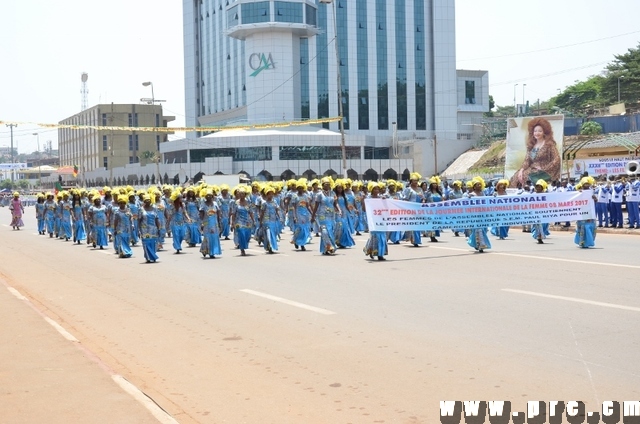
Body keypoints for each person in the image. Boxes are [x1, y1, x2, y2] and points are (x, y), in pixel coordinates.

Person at [509, 117, 561, 187]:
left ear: (544, 132)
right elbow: (527, 160)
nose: (537, 133)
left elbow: (557, 159)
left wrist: (545, 169)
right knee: (516, 177)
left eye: (540, 131)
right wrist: (521, 170)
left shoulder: (549, 144)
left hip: (543, 171)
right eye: (535, 131)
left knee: (526, 178)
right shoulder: (532, 145)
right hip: (531, 169)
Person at [311, 177, 339, 255]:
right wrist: (313, 216)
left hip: (331, 216)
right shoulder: (319, 194)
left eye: (329, 184)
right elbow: (316, 206)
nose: (327, 186)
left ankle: (325, 249)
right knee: (324, 231)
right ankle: (329, 246)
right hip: (322, 216)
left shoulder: (333, 193)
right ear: (323, 185)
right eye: (326, 184)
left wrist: (339, 210)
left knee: (330, 232)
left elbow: (335, 203)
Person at [363, 182, 388, 261]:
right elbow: (364, 209)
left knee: (382, 236)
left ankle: (380, 254)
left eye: (377, 189)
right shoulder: (368, 198)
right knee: (375, 236)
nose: (376, 191)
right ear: (371, 190)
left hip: (381, 219)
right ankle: (373, 251)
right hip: (373, 220)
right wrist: (363, 201)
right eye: (374, 189)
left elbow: (386, 208)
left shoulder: (381, 198)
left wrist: (384, 201)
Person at [466, 177, 491, 253]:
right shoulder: (471, 195)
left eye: (480, 184)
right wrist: (469, 199)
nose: (479, 186)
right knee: (478, 230)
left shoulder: (483, 194)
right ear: (474, 186)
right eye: (477, 185)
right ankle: (480, 245)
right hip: (475, 215)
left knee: (484, 229)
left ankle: (476, 243)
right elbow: (467, 204)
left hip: (483, 214)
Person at [402, 172, 426, 247]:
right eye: (414, 180)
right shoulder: (408, 189)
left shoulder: (419, 189)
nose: (415, 182)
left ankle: (418, 239)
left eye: (417, 180)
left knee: (418, 224)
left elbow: (423, 198)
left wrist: (423, 201)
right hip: (411, 209)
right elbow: (405, 199)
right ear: (411, 181)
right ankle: (414, 240)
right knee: (413, 225)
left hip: (419, 209)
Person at [574, 176, 597, 248]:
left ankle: (589, 242)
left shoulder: (591, 192)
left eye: (587, 184)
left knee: (589, 228)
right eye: (585, 184)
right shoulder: (578, 192)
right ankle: (581, 242)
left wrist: (594, 198)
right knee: (582, 228)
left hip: (590, 213)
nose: (586, 185)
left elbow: (595, 201)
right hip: (582, 213)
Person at [231, 186, 254, 256]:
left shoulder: (248, 202)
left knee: (247, 235)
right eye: (240, 194)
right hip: (239, 222)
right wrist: (232, 223)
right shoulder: (236, 203)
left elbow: (251, 212)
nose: (241, 195)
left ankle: (244, 245)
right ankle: (242, 250)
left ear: (245, 194)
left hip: (247, 222)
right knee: (241, 235)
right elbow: (234, 213)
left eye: (242, 194)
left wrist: (253, 220)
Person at [199, 189, 222, 258]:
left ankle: (212, 252)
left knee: (214, 237)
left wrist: (219, 223)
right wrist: (201, 223)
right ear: (205, 197)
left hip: (214, 224)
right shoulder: (203, 204)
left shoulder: (215, 203)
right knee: (207, 237)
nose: (208, 197)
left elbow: (218, 213)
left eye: (210, 195)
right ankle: (205, 250)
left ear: (212, 196)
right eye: (207, 195)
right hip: (207, 224)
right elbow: (201, 214)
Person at [291, 178, 312, 251]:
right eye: (299, 188)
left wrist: (312, 214)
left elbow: (308, 206)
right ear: (297, 188)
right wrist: (294, 216)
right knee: (300, 229)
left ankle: (302, 244)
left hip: (305, 214)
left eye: (301, 188)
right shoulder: (294, 196)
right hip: (298, 214)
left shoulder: (306, 196)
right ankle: (296, 240)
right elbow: (293, 207)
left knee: (305, 229)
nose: (300, 189)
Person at [139, 194, 161, 263]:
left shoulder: (154, 208)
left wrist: (159, 228)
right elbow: (139, 220)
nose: (148, 201)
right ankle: (148, 257)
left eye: (149, 200)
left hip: (153, 229)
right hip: (144, 230)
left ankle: (153, 256)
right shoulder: (141, 209)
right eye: (146, 200)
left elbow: (157, 219)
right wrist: (138, 230)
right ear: (144, 201)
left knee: (153, 243)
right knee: (146, 243)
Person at [258, 185, 281, 254]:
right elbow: (262, 212)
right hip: (266, 220)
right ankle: (270, 247)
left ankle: (271, 246)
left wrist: (279, 217)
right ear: (266, 195)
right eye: (269, 194)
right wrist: (261, 221)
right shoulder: (264, 203)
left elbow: (277, 210)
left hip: (273, 220)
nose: (270, 195)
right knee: (268, 233)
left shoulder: (275, 202)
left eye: (272, 194)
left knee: (273, 234)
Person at [531, 180, 550, 244]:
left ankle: (541, 235)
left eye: (540, 187)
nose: (538, 188)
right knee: (537, 225)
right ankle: (539, 237)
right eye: (537, 187)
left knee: (544, 225)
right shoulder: (533, 195)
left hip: (544, 212)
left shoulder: (546, 195)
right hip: (536, 213)